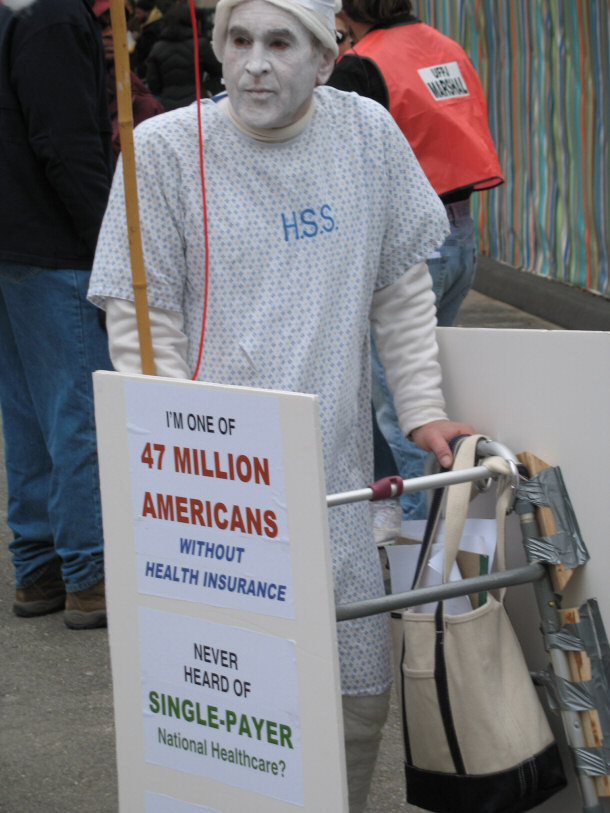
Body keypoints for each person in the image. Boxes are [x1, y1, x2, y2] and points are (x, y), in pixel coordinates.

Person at [87, 0, 474, 808]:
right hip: (212, 490)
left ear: (326, 56)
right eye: (238, 40)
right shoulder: (162, 151)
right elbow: (140, 317)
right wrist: (180, 448)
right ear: (218, 49)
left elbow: (400, 290)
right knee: (223, 698)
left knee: (352, 689)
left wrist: (423, 410)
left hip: (330, 477)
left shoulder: (366, 136)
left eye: (280, 42)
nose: (256, 62)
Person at [328, 0, 503, 520]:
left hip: (405, 247)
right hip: (459, 237)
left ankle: (420, 539)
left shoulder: (361, 64)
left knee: (403, 410)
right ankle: (409, 519)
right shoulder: (445, 47)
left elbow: (340, 161)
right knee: (419, 390)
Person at [0, 0, 114, 629]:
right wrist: (109, 245)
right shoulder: (52, 17)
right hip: (54, 240)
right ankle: (88, 571)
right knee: (76, 415)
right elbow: (66, 143)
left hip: (17, 238)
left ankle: (41, 564)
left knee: (28, 412)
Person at [93, 0, 165, 165]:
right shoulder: (72, 93)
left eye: (116, 24)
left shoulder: (145, 106)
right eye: (101, 25)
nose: (110, 33)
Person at [146, 2, 223, 108]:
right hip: (196, 102)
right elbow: (217, 71)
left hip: (167, 104)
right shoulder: (200, 44)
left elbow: (153, 84)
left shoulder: (157, 47)